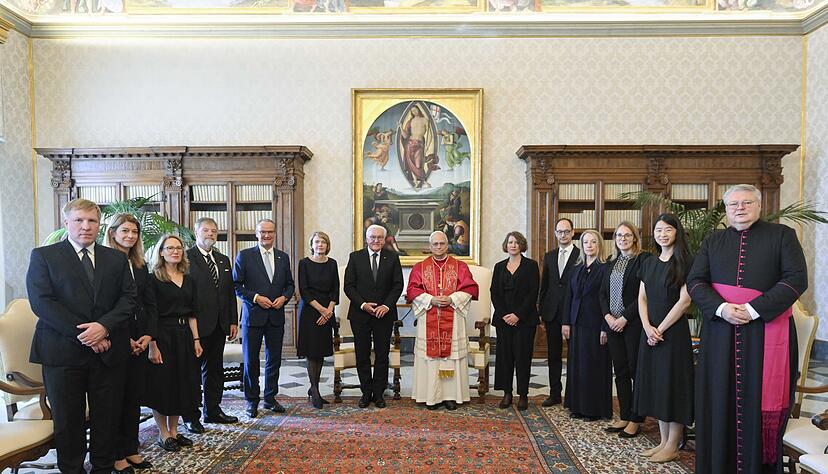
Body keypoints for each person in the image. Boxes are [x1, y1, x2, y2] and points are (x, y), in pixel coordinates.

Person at [688, 184, 808, 473]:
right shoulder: (712, 240)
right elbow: (695, 282)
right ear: (726, 210)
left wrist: (753, 310)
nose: (739, 208)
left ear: (759, 205)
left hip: (765, 333)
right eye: (733, 205)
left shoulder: (782, 236)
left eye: (746, 203)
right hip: (720, 333)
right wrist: (723, 308)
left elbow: (796, 280)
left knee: (756, 401)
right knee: (719, 398)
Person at [26, 198, 136, 474]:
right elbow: (42, 303)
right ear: (67, 223)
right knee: (68, 421)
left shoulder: (116, 258)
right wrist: (88, 335)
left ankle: (102, 468)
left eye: (92, 221)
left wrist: (104, 327)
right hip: (61, 352)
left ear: (100, 225)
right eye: (79, 220)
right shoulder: (44, 256)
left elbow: (128, 298)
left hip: (108, 352)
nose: (86, 226)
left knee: (107, 419)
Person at [635, 214, 694, 464]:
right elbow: (642, 298)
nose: (662, 234)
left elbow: (685, 301)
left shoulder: (685, 262)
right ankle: (662, 442)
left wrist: (660, 328)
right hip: (650, 334)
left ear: (676, 233)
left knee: (673, 386)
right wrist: (648, 327)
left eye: (667, 230)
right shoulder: (648, 262)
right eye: (658, 230)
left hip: (673, 335)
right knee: (658, 386)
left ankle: (673, 445)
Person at [103, 213, 154, 473]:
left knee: (133, 397)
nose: (130, 236)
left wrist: (148, 335)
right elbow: (106, 307)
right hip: (114, 339)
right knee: (116, 400)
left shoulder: (140, 264)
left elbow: (146, 303)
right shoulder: (102, 261)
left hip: (139, 340)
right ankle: (115, 455)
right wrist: (125, 339)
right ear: (112, 232)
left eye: (134, 232)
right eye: (124, 231)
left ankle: (131, 449)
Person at [407, 231, 479, 410]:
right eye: (435, 244)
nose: (438, 247)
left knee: (451, 358)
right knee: (430, 359)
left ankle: (450, 397)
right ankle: (430, 396)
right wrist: (430, 300)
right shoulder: (420, 267)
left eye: (442, 243)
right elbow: (412, 290)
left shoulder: (460, 266)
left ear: (448, 244)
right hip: (429, 317)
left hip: (452, 318)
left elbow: (470, 288)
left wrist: (452, 299)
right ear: (430, 246)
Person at [144, 234, 203, 453]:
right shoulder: (153, 279)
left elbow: (193, 313)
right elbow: (150, 313)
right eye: (169, 248)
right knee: (162, 385)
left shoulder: (189, 279)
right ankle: (163, 433)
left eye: (178, 248)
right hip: (161, 335)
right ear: (161, 252)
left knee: (181, 384)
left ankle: (175, 431)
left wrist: (196, 339)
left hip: (184, 336)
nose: (175, 251)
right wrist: (152, 343)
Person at [234, 218, 295, 418]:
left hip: (275, 316)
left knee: (274, 360)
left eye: (270, 232)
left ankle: (270, 398)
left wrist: (284, 297)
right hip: (253, 317)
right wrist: (256, 298)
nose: (266, 235)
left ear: (275, 234)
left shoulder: (282, 257)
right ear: (256, 233)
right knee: (251, 361)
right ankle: (251, 401)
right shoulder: (245, 256)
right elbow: (237, 286)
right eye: (263, 232)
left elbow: (290, 285)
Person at [183, 217, 239, 431]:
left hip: (220, 325)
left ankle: (213, 410)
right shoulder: (187, 258)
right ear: (196, 232)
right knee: (193, 372)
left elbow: (229, 293)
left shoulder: (223, 259)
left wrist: (233, 320)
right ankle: (191, 416)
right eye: (206, 230)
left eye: (214, 231)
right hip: (196, 325)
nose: (210, 234)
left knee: (215, 370)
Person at [599, 222, 651, 438]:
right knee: (619, 371)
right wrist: (609, 318)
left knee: (634, 370)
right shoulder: (612, 262)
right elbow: (602, 294)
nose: (622, 239)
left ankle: (637, 419)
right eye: (619, 235)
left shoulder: (643, 260)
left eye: (627, 235)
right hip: (613, 325)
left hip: (633, 324)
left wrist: (624, 318)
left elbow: (644, 294)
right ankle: (625, 415)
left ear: (635, 238)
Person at [344, 224, 404, 408]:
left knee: (382, 355)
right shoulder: (355, 257)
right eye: (372, 237)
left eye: (379, 237)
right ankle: (365, 392)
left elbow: (397, 285)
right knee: (362, 355)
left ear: (385, 239)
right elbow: (349, 286)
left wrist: (386, 306)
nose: (376, 240)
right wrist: (363, 304)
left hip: (384, 315)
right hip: (360, 314)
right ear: (366, 238)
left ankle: (378, 394)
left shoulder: (392, 258)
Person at [562, 229, 611, 421]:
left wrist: (604, 327)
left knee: (593, 366)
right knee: (577, 366)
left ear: (599, 245)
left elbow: (606, 299)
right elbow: (569, 297)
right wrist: (566, 322)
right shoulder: (577, 268)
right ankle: (577, 406)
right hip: (577, 323)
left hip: (596, 324)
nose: (589, 246)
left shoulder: (605, 268)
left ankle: (593, 409)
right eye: (585, 242)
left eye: (593, 242)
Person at [491, 231, 539, 411]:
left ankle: (523, 395)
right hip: (503, 321)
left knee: (523, 357)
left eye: (516, 242)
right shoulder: (499, 266)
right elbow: (494, 292)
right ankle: (507, 393)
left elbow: (533, 292)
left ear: (521, 245)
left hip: (525, 320)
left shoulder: (531, 266)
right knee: (505, 358)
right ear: (506, 245)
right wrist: (504, 314)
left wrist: (518, 315)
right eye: (510, 242)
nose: (513, 245)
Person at [538, 218, 580, 407]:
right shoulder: (549, 256)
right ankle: (555, 393)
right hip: (552, 313)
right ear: (555, 234)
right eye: (559, 232)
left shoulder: (581, 255)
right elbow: (544, 285)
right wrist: (541, 310)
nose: (563, 235)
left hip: (574, 313)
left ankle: (573, 395)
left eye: (566, 231)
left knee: (574, 355)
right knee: (553, 355)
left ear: (573, 233)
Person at [297, 231, 339, 409]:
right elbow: (304, 290)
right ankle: (314, 390)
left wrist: (329, 310)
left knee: (320, 352)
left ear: (327, 245)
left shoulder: (332, 264)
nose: (320, 245)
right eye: (316, 242)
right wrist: (321, 310)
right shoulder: (304, 263)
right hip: (310, 311)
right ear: (311, 245)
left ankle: (315, 388)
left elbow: (335, 289)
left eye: (323, 242)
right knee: (311, 352)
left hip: (326, 312)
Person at [399, 103, 437, 189]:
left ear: (419, 110)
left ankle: (424, 181)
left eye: (415, 110)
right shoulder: (410, 122)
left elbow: (430, 134)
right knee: (411, 164)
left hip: (419, 144)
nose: (414, 112)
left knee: (418, 165)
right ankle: (416, 182)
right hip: (409, 144)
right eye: (412, 111)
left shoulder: (425, 120)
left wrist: (427, 145)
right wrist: (401, 128)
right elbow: (405, 136)